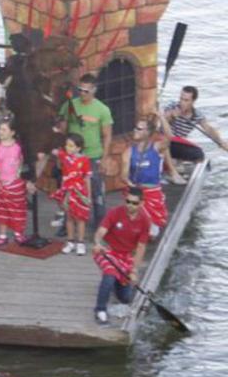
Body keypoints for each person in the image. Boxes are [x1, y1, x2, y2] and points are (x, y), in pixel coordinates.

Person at [55, 73, 112, 228]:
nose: (82, 94)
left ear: (94, 90)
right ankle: (67, 226)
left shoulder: (102, 109)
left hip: (93, 156)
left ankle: (100, 226)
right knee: (69, 191)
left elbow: (107, 135)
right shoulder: (69, 105)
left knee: (96, 192)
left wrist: (105, 159)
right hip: (72, 157)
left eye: (86, 91)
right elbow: (62, 131)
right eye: (80, 90)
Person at [91, 187, 150, 325]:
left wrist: (134, 271)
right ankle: (100, 310)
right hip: (108, 252)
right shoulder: (115, 212)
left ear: (141, 203)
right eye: (128, 201)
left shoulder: (145, 221)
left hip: (126, 256)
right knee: (109, 274)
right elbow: (100, 231)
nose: (130, 205)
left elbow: (141, 247)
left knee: (125, 297)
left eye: (134, 203)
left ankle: (117, 283)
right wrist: (98, 243)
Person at [0, 119, 27, 246]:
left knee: (18, 209)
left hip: (15, 184)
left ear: (12, 132)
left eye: (4, 130)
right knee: (1, 210)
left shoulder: (19, 147)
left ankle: (18, 233)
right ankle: (2, 235)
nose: (0, 132)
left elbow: (24, 163)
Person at [160, 86, 227, 164]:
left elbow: (208, 128)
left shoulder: (196, 115)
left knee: (199, 155)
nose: (182, 102)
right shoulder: (172, 107)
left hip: (178, 143)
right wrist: (172, 116)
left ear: (193, 101)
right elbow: (162, 119)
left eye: (186, 100)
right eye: (181, 99)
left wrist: (221, 142)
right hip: (164, 140)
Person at [125, 116, 168, 236]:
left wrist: (162, 117)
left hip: (152, 192)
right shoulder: (129, 151)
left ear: (147, 132)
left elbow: (169, 138)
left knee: (152, 233)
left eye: (139, 129)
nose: (135, 131)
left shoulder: (156, 147)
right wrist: (132, 186)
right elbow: (123, 176)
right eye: (135, 128)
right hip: (136, 192)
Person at [51, 132, 91, 254]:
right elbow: (54, 149)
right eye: (67, 145)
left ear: (78, 148)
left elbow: (87, 178)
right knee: (69, 217)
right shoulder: (64, 156)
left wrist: (88, 195)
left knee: (80, 218)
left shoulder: (84, 160)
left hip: (79, 192)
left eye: (71, 145)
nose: (68, 148)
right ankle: (70, 241)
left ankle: (80, 242)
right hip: (67, 192)